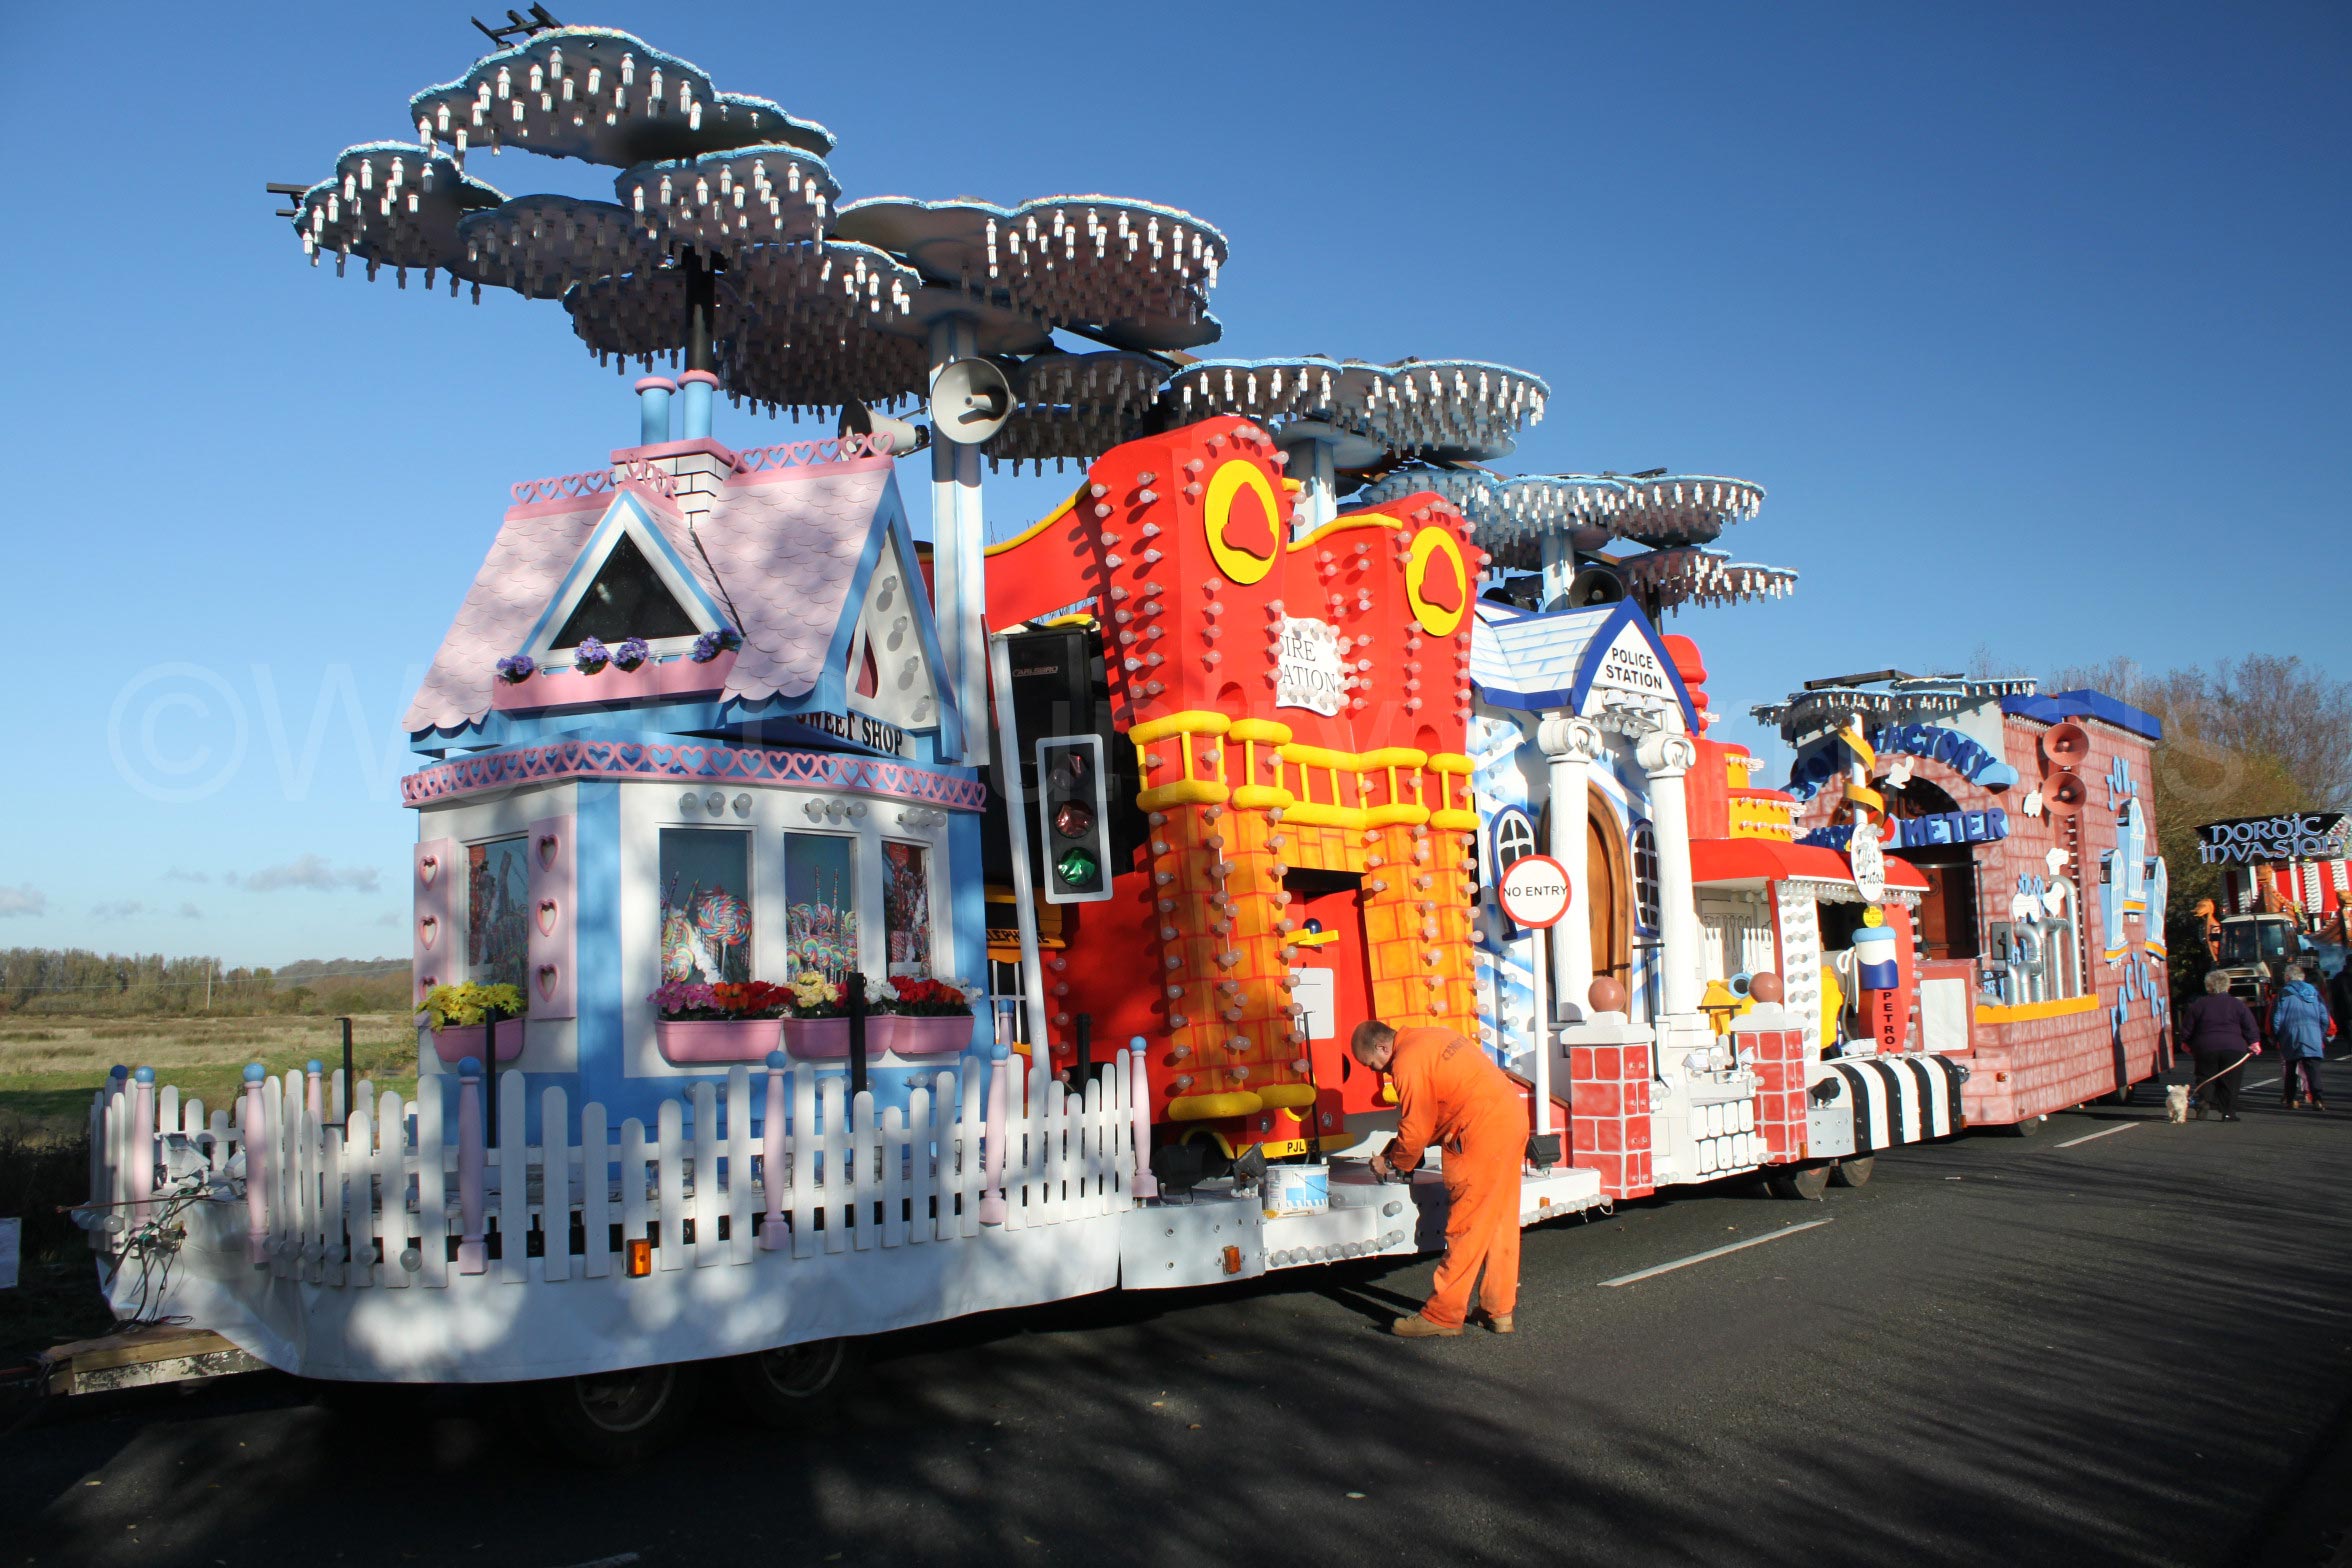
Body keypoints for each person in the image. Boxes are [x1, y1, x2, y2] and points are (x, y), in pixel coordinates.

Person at [1352, 1019, 1525, 1338]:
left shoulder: (1406, 1062)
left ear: (1382, 1047)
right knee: (1499, 1220)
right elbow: (1441, 1106)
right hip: (1509, 1118)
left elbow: (1417, 1126)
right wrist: (1402, 1150)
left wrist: (1391, 1162)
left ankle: (1442, 1316)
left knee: (1466, 1227)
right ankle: (1498, 1310)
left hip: (1478, 1132)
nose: (1377, 1071)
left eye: (1372, 1064)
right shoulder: (1431, 1036)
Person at [2177, 969, 2260, 1121]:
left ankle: (2203, 1102)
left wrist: (2185, 1042)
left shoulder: (2198, 1005)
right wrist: (2254, 1041)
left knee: (2205, 1076)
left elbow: (2187, 1027)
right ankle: (2228, 1112)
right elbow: (2249, 1025)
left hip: (2206, 1047)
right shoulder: (2237, 1004)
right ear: (2227, 986)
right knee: (2231, 1081)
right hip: (2233, 1048)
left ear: (2208, 986)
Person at [2272, 963, 2332, 1111]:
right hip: (2312, 1034)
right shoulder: (2314, 992)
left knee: (2291, 1068)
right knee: (2313, 1069)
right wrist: (2320, 1033)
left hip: (2290, 1035)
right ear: (2303, 977)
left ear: (2288, 977)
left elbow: (2277, 1018)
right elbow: (2324, 1016)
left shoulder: (2283, 993)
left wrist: (2277, 1036)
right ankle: (2318, 1099)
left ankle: (2291, 1099)